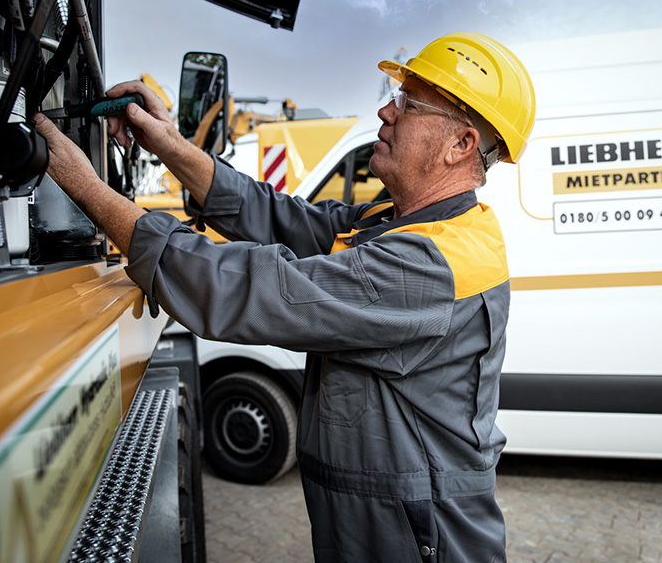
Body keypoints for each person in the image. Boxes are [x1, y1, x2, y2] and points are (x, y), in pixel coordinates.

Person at [35, 32, 536, 562]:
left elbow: (250, 290)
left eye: (409, 104)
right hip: (389, 524)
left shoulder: (429, 266)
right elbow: (282, 218)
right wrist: (169, 143)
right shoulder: (399, 225)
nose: (386, 112)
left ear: (460, 145)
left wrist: (87, 188)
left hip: (419, 539)